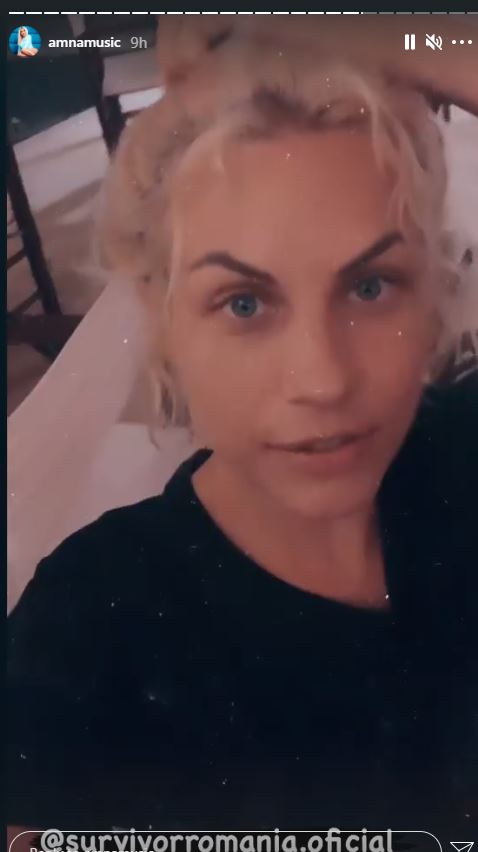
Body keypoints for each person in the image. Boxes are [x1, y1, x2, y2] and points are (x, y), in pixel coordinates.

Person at [7, 18, 478, 837]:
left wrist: (313, 24)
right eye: (245, 303)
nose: (324, 380)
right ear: (163, 322)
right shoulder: (92, 632)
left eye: (370, 286)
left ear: (433, 291)